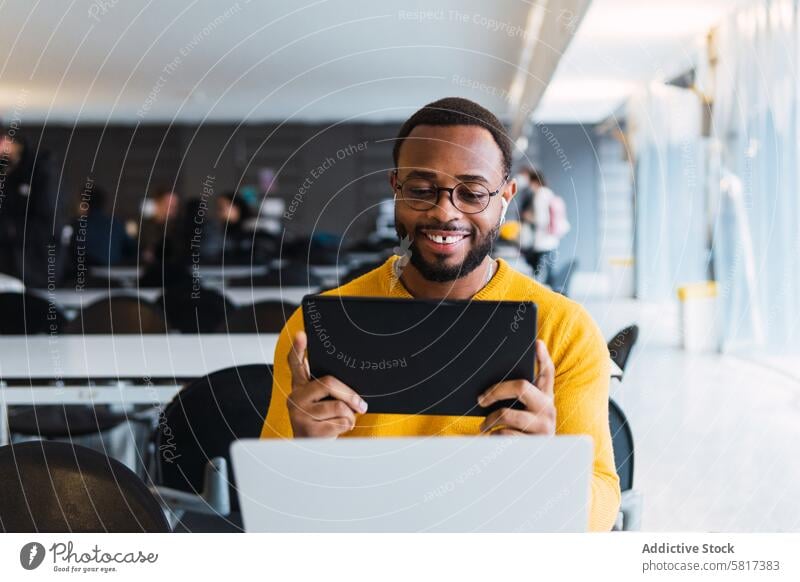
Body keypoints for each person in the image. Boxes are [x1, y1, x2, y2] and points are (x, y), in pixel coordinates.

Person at [260, 97, 620, 531]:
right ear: (395, 188)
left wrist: (544, 468)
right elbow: (275, 512)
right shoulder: (313, 330)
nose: (445, 211)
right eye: (421, 189)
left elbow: (601, 511)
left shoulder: (565, 331)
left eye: (472, 192)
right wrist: (304, 455)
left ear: (506, 197)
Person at [0, 129, 63, 287]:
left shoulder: (42, 170)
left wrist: (8, 229)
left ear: (5, 140)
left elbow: (48, 226)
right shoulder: (7, 171)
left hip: (34, 269)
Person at [519, 168, 570, 283]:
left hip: (542, 241)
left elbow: (541, 220)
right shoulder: (548, 192)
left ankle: (541, 297)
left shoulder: (540, 194)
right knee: (549, 272)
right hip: (551, 240)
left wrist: (528, 217)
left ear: (534, 181)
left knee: (539, 275)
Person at [69, 185, 133, 270]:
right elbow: (131, 248)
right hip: (112, 274)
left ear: (83, 204)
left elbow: (70, 252)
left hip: (85, 275)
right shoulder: (115, 224)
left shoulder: (77, 224)